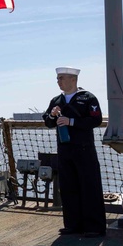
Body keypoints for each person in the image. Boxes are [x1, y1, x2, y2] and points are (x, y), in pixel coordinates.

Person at [42, 67, 106, 237]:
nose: (58, 81)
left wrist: (71, 121)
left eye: (61, 78)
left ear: (73, 79)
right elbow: (48, 122)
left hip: (84, 149)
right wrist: (53, 116)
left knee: (89, 187)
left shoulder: (87, 98)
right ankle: (72, 224)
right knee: (68, 187)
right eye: (57, 78)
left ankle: (94, 227)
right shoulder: (56, 100)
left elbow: (96, 120)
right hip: (64, 149)